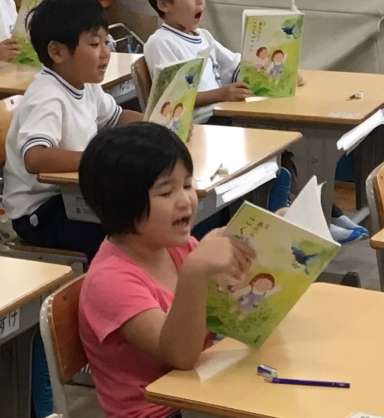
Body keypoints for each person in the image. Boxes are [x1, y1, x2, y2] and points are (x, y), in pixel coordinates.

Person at [78, 122, 255, 418]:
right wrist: (196, 271)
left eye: (187, 185)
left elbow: (222, 313)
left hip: (202, 390)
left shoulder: (176, 247)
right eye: (166, 192)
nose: (185, 200)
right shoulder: (109, 281)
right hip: (161, 411)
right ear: (123, 204)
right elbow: (180, 356)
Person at [3, 0, 142, 260]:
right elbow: (35, 157)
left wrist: (158, 126)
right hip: (40, 212)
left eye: (106, 42)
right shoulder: (47, 96)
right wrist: (97, 159)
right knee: (127, 235)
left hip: (72, 195)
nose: (106, 53)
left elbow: (117, 117)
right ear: (57, 52)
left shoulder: (85, 84)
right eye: (95, 44)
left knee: (141, 218)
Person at [144, 0, 251, 123]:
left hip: (222, 112)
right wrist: (220, 94)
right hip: (200, 124)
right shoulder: (160, 42)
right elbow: (174, 98)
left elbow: (236, 66)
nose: (200, 1)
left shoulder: (204, 36)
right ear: (164, 4)